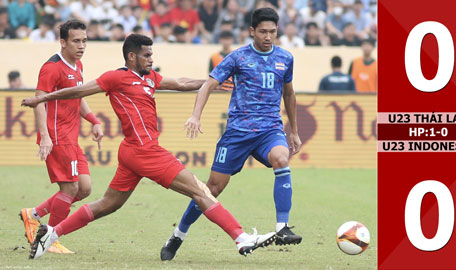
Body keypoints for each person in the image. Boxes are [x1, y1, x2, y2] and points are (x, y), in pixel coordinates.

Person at [22, 33, 276, 260]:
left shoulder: (150, 78)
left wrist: (216, 80)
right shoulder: (115, 78)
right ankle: (241, 238)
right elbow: (78, 92)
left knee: (108, 204)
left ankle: (51, 234)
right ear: (132, 56)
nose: (151, 59)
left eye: (152, 54)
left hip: (133, 151)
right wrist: (43, 98)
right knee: (200, 190)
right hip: (144, 150)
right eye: (147, 55)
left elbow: (183, 83)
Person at [160, 7, 302, 261]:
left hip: (270, 129)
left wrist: (294, 131)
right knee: (211, 189)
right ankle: (178, 234)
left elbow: (289, 94)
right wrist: (195, 115)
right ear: (251, 31)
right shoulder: (237, 58)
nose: (268, 36)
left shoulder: (286, 58)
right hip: (238, 132)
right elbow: (209, 85)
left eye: (272, 31)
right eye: (262, 32)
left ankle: (282, 227)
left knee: (282, 158)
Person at [19, 19, 104, 255]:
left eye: (84, 40)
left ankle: (32, 215)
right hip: (56, 136)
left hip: (71, 136)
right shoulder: (52, 67)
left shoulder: (78, 65)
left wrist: (94, 121)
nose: (82, 45)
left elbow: (78, 96)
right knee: (69, 189)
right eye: (76, 41)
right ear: (63, 41)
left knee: (84, 188)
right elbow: (38, 102)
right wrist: (45, 136)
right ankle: (50, 238)